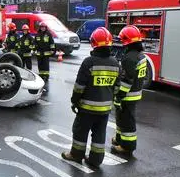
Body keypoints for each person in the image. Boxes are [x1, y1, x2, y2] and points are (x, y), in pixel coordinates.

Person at [61, 27, 120, 167]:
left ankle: (76, 155)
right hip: (105, 109)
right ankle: (96, 160)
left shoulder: (89, 62)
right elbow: (117, 87)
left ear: (93, 43)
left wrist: (74, 101)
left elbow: (79, 86)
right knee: (99, 134)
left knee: (80, 131)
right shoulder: (115, 63)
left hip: (87, 108)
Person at [112, 25, 146, 156]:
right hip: (135, 93)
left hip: (128, 95)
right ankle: (119, 140)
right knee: (121, 118)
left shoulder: (129, 58)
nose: (121, 42)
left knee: (127, 120)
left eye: (123, 40)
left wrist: (119, 96)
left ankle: (127, 146)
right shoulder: (140, 55)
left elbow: (127, 80)